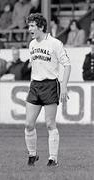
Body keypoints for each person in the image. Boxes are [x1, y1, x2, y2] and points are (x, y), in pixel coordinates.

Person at [25, 13, 71, 167]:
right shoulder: (32, 44)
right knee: (29, 124)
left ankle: (53, 159)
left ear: (41, 27)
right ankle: (32, 155)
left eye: (32, 26)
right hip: (35, 86)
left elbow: (67, 65)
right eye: (29, 25)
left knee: (50, 124)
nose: (30, 28)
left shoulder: (55, 43)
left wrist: (63, 86)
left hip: (50, 85)